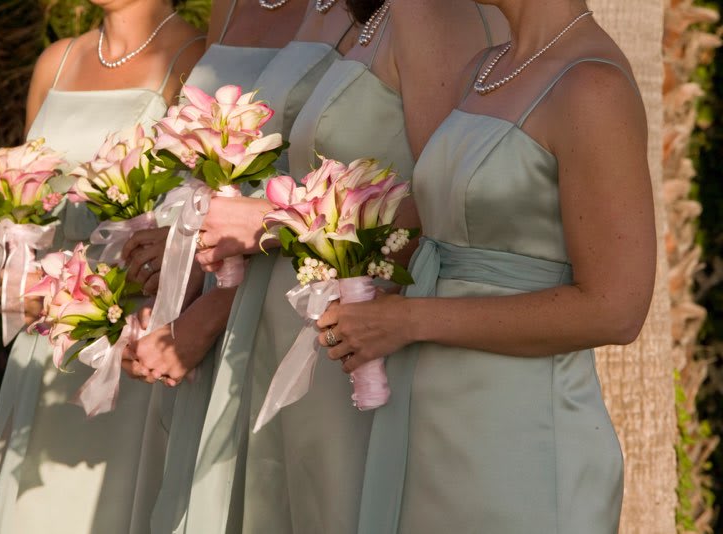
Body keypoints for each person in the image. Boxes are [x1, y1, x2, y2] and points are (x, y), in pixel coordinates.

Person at [317, 1, 656, 532]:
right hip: (430, 419)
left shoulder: (593, 88)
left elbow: (616, 310)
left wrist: (411, 320)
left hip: (517, 437)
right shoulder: (485, 68)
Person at [177, 1, 506, 532]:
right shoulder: (367, 15)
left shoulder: (431, 15)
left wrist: (272, 221)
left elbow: (445, 209)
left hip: (354, 337)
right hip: (298, 323)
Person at [0, 2, 204, 533]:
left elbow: (195, 216)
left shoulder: (195, 56)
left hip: (131, 326)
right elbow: (29, 195)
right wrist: (18, 266)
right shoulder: (57, 60)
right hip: (46, 328)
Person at [120, 1, 356, 532]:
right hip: (216, 274)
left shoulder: (370, 13)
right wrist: (180, 279)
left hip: (295, 287)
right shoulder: (227, 6)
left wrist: (211, 312)